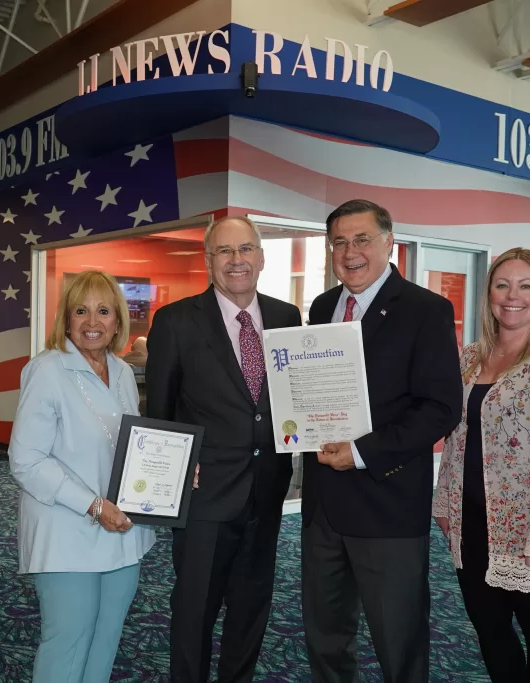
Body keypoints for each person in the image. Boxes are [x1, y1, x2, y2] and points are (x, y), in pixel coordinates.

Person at [302, 199, 462, 683]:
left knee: (399, 643)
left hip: (387, 504)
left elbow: (440, 408)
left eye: (362, 239)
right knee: (325, 637)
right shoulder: (322, 306)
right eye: (339, 242)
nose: (350, 252)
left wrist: (361, 452)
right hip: (323, 508)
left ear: (389, 242)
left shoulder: (427, 309)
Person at [146, 216, 302, 683]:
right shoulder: (175, 322)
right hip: (205, 496)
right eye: (225, 252)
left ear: (261, 256)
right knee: (195, 610)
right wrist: (174, 467)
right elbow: (162, 408)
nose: (237, 261)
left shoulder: (286, 317)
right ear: (208, 259)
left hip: (268, 491)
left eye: (246, 249)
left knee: (252, 607)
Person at [433, 248, 530, 682]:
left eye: (525, 285)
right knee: (490, 630)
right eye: (502, 285)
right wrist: (445, 504)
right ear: (489, 294)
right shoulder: (469, 358)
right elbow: (455, 437)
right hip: (471, 524)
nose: (512, 296)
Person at [8, 270, 156, 682]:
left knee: (107, 637)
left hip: (123, 530)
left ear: (118, 320)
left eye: (103, 311)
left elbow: (130, 445)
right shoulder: (47, 370)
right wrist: (93, 506)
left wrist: (175, 474)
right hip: (66, 529)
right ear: (66, 319)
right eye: (81, 311)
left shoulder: (123, 373)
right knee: (68, 642)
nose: (92, 322)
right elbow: (25, 460)